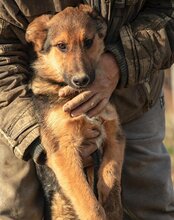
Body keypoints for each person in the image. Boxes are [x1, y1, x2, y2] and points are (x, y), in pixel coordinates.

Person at [0, 0, 174, 219]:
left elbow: (168, 11)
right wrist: (37, 141)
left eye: (87, 43)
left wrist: (120, 61)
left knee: (150, 204)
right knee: (17, 207)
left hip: (135, 89)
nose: (79, 68)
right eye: (63, 47)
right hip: (20, 97)